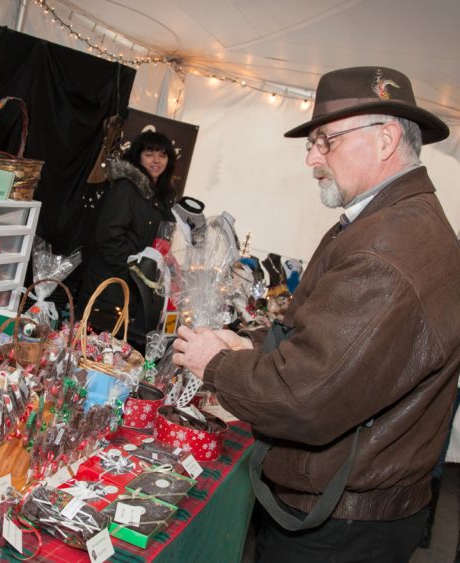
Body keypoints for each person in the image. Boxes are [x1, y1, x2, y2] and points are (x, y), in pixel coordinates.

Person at [172, 66, 460, 562]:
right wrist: (256, 352)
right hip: (356, 503)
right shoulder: (394, 221)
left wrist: (213, 363)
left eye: (325, 141)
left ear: (386, 139)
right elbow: (341, 355)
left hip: (341, 522)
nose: (311, 158)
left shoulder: (387, 246)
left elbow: (304, 397)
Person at [78, 130, 177, 354]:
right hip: (110, 287)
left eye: (162, 155)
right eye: (149, 153)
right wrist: (134, 275)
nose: (156, 160)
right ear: (138, 156)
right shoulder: (126, 188)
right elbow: (108, 237)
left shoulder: (160, 196)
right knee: (97, 353)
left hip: (133, 293)